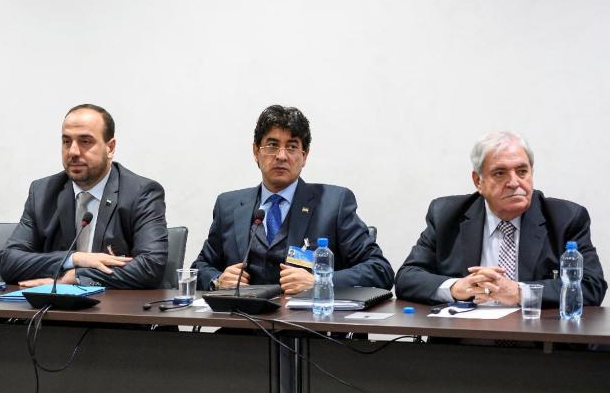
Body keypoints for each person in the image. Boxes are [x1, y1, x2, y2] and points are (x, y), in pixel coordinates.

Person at [0, 104, 168, 393]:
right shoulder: (44, 191)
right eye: (66, 141)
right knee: (7, 371)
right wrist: (74, 259)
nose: (73, 151)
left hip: (112, 325)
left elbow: (151, 266)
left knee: (86, 387)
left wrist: (76, 279)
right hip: (52, 321)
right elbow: (9, 260)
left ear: (110, 147)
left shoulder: (141, 192)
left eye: (85, 141)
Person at [192, 105, 393, 294]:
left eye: (292, 147)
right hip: (241, 326)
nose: (281, 156)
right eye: (272, 145)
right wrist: (217, 280)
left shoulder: (334, 204)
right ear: (256, 152)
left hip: (309, 327)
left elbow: (380, 270)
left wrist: (319, 280)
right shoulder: (229, 206)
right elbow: (199, 267)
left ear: (304, 156)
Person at [395, 131, 607, 307]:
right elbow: (407, 278)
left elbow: (591, 286)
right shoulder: (446, 215)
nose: (514, 182)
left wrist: (519, 292)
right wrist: (455, 287)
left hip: (538, 345)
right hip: (463, 343)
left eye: (522, 171)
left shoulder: (566, 218)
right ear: (478, 181)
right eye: (500, 173)